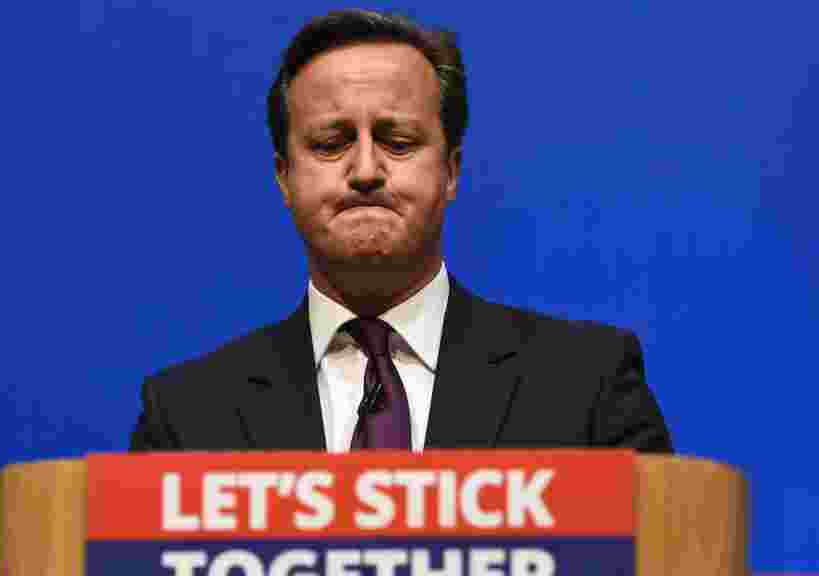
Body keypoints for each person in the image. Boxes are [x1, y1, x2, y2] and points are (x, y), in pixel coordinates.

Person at [130, 9, 673, 454]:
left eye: (398, 141)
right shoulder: (187, 419)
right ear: (284, 178)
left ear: (452, 171)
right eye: (329, 143)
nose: (365, 170)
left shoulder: (585, 387)